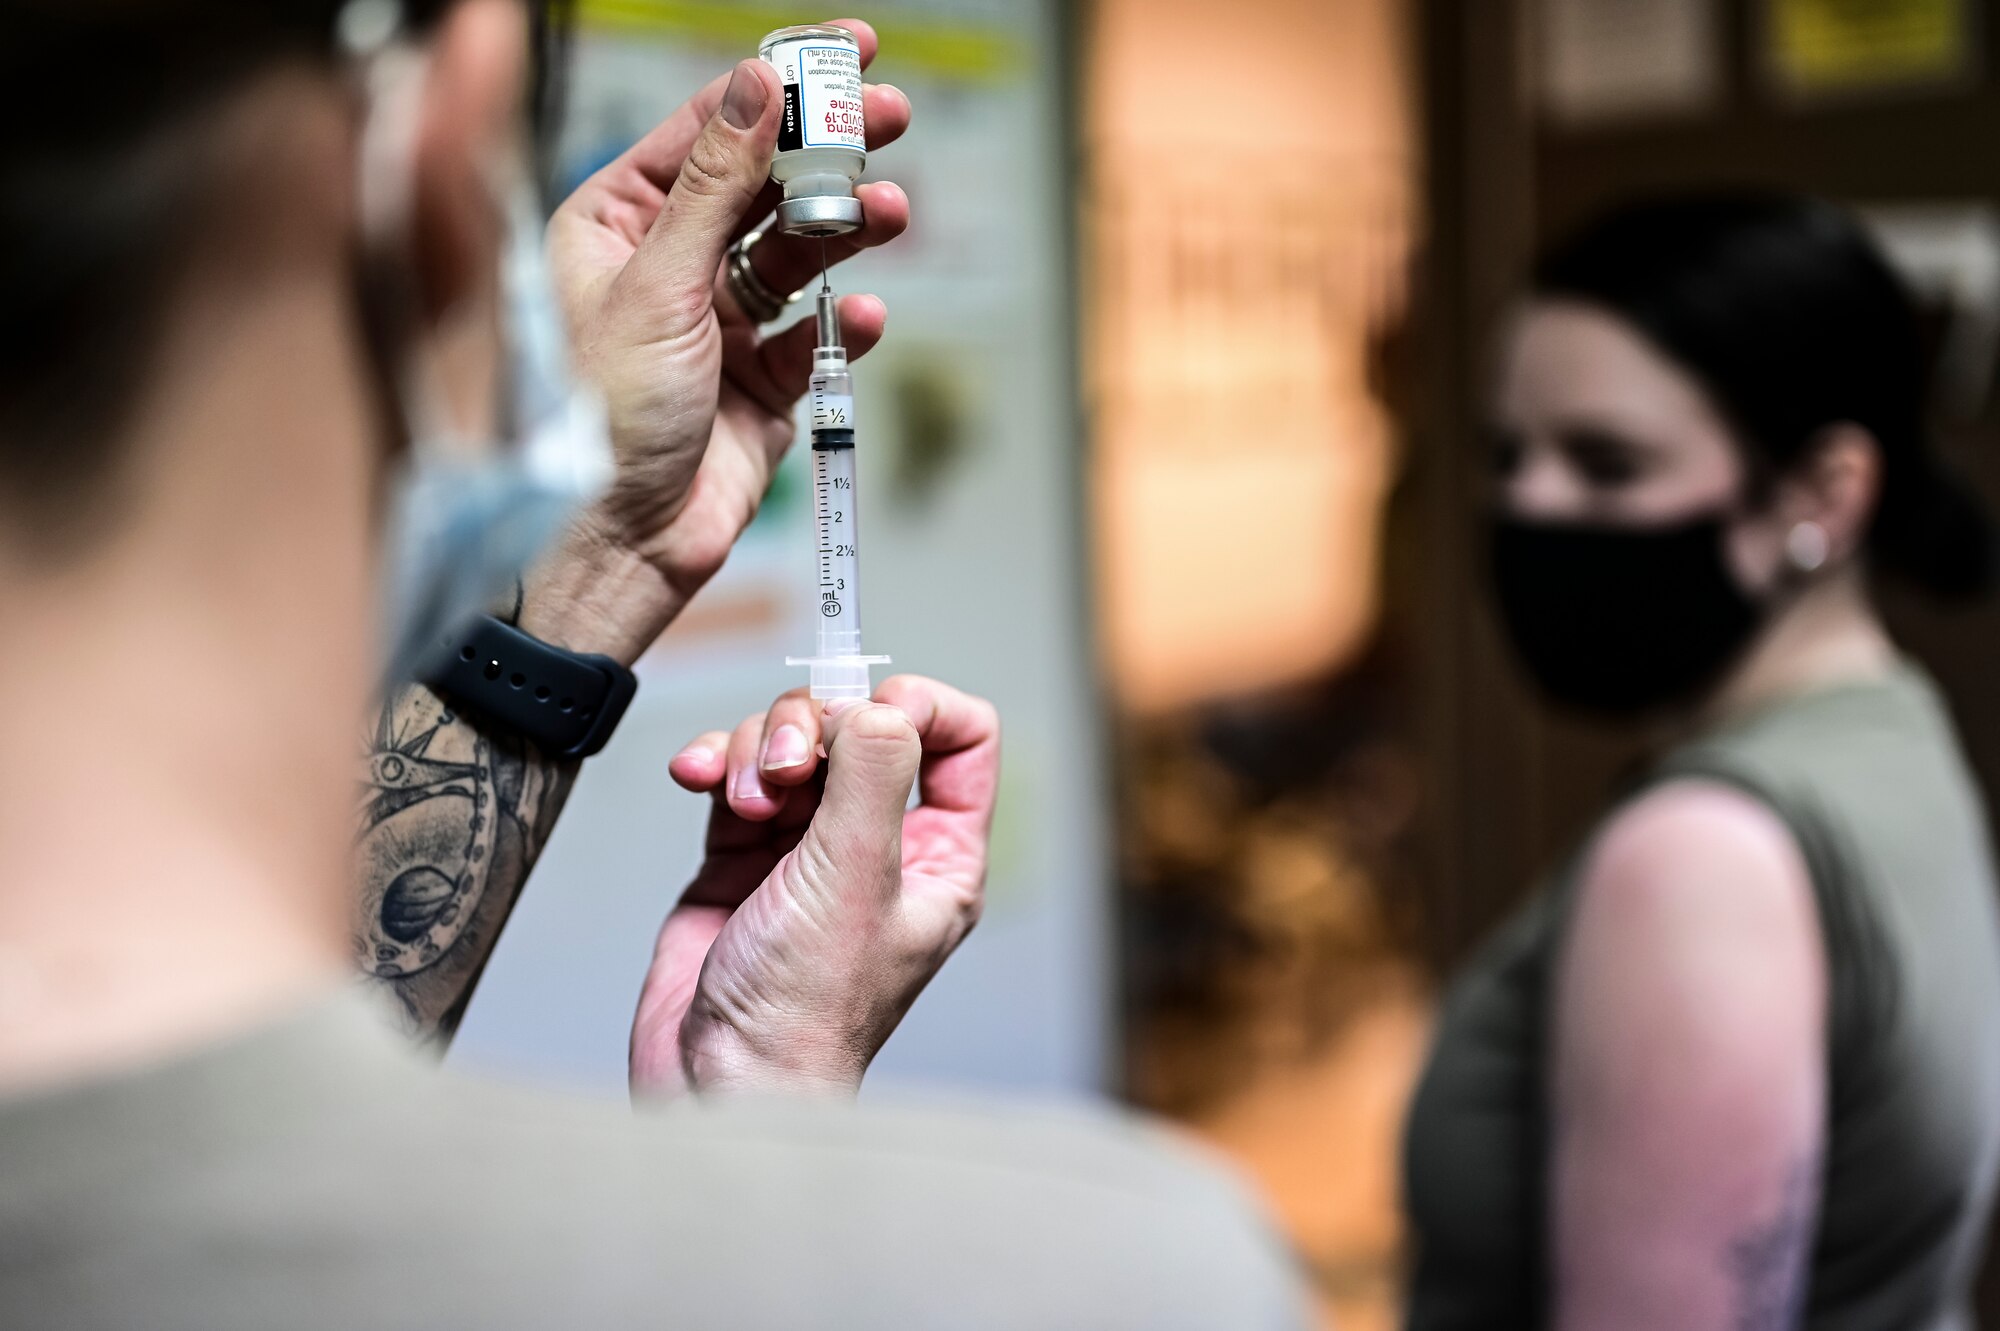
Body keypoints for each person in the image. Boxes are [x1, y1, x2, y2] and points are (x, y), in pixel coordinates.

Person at [0, 3, 1310, 1327]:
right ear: (443, 156)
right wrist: (775, 1175)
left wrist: (604, 559)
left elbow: (215, 1133)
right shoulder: (1113, 1279)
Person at [1401, 193, 2000, 1330]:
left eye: (1606, 463)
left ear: (1820, 493)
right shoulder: (1891, 728)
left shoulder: (1697, 861)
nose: (1529, 503)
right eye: (1505, 452)